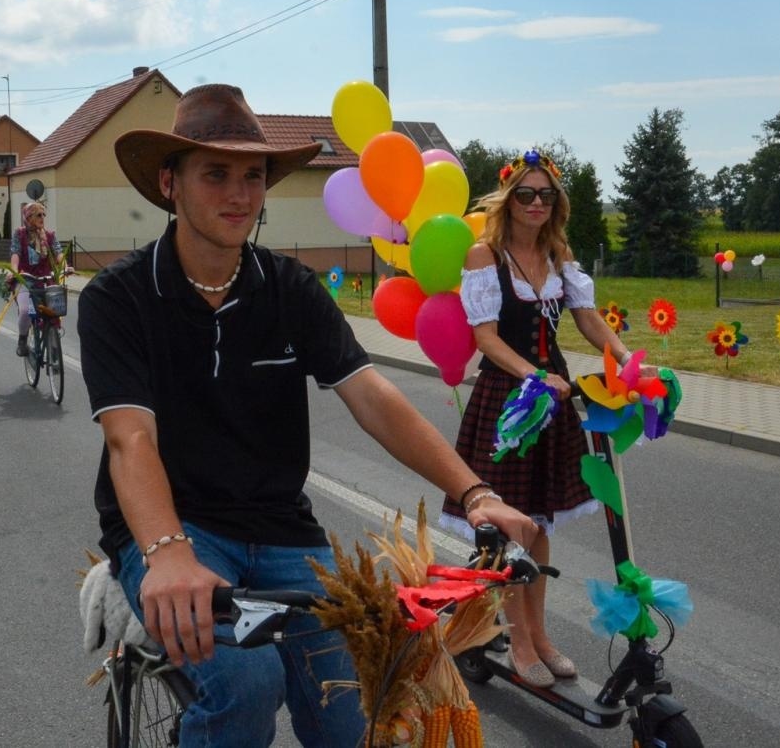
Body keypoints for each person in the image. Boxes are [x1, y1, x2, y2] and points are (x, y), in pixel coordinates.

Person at [78, 84, 536, 747]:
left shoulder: (290, 289)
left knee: (358, 708)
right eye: (215, 174)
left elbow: (373, 396)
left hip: (283, 533)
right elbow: (130, 439)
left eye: (252, 176)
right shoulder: (118, 297)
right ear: (169, 183)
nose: (239, 194)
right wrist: (168, 554)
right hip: (178, 529)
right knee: (246, 684)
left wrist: (476, 493)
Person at [438, 148, 632, 689]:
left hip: (554, 400)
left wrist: (626, 358)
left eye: (546, 194)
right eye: (525, 194)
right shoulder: (485, 256)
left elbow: (588, 319)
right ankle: (517, 640)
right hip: (509, 400)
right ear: (509, 199)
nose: (536, 203)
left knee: (539, 524)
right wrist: (534, 376)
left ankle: (539, 635)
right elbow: (485, 338)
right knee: (508, 528)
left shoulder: (557, 253)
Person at [7, 200, 64, 356]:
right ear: (29, 217)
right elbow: (15, 253)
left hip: (45, 278)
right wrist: (14, 270)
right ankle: (22, 340)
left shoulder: (49, 235)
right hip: (25, 278)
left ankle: (52, 338)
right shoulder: (19, 234)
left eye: (43, 215)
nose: (42, 218)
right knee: (25, 310)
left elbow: (58, 252)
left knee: (54, 310)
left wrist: (65, 266)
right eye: (38, 215)